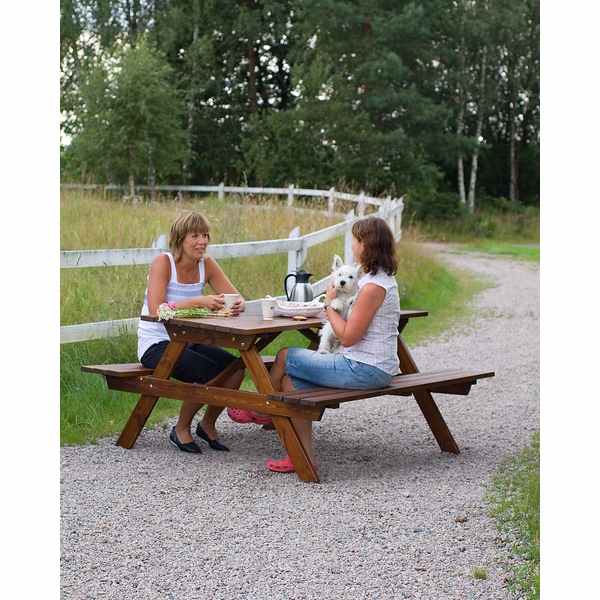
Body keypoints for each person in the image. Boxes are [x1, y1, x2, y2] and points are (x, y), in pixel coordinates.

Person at [259, 216, 401, 473]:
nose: (353, 247)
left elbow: (347, 338)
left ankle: (263, 408)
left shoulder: (372, 287)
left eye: (356, 241)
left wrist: (328, 303)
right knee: (292, 383)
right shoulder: (378, 279)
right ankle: (301, 457)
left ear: (367, 245)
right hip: (375, 365)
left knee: (284, 356)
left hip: (365, 368)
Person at [137, 210, 246, 454]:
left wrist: (238, 303)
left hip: (191, 341)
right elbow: (157, 310)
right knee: (207, 374)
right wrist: (198, 301)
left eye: (205, 235)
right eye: (194, 235)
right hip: (156, 343)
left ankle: (207, 424)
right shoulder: (163, 263)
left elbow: (237, 297)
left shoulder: (206, 263)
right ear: (179, 238)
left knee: (235, 369)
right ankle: (181, 428)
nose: (202, 241)